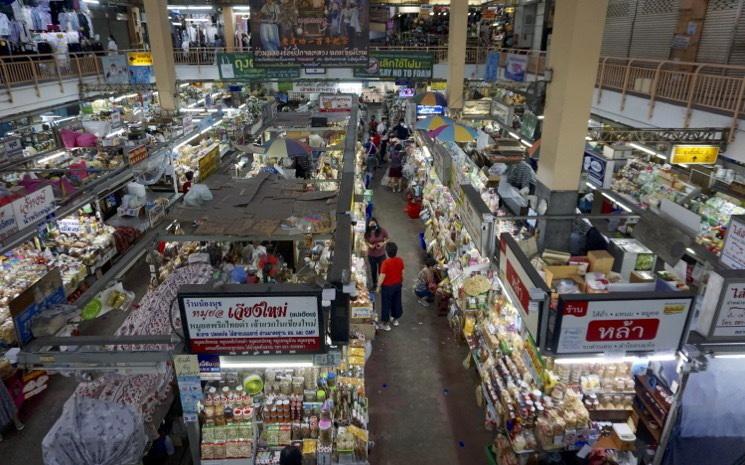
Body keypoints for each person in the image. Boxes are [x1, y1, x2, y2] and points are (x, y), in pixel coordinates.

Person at [376, 242, 404, 331]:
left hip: (387, 287)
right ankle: (395, 319)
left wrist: (378, 286)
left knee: (386, 304)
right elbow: (403, 273)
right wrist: (400, 280)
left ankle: (386, 324)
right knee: (396, 302)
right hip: (397, 285)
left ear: (387, 252)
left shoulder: (385, 263)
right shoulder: (400, 260)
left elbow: (382, 276)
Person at [364, 217, 388, 291]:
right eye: (370, 224)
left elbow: (387, 238)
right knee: (373, 270)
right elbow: (365, 240)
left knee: (382, 271)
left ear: (376, 223)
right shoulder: (367, 233)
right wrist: (369, 245)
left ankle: (381, 284)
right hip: (372, 255)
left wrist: (382, 243)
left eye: (373, 224)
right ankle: (375, 284)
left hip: (381, 254)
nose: (372, 226)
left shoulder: (382, 231)